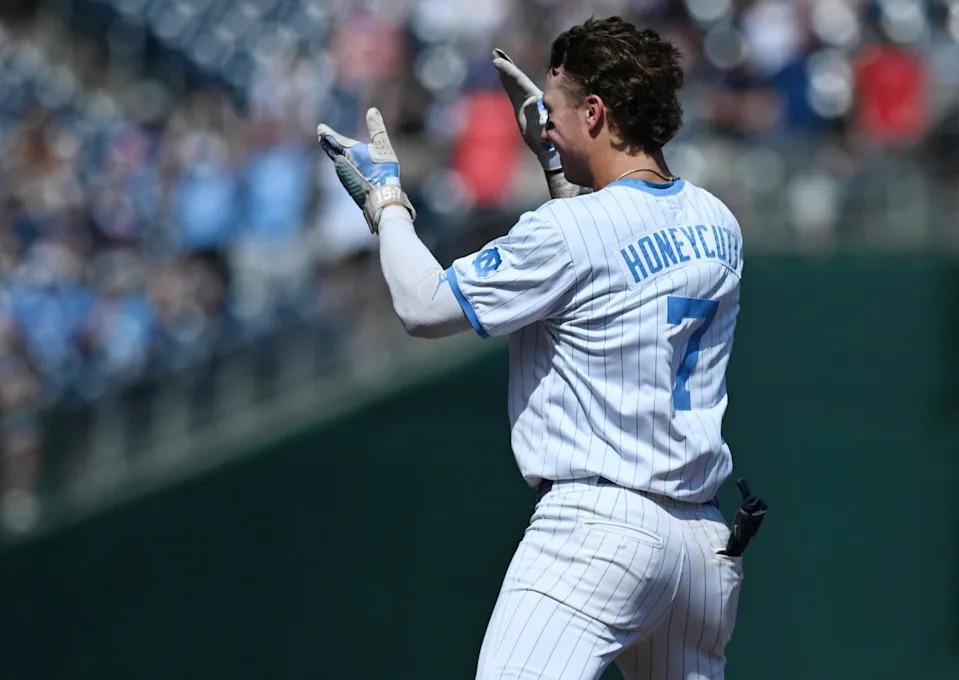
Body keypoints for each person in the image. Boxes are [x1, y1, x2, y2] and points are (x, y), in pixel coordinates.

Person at [318, 16, 744, 679]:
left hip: (597, 527)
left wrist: (387, 204)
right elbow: (614, 263)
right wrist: (558, 159)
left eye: (554, 110)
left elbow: (423, 306)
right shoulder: (717, 221)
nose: (541, 125)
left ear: (595, 111)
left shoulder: (568, 230)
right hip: (700, 546)